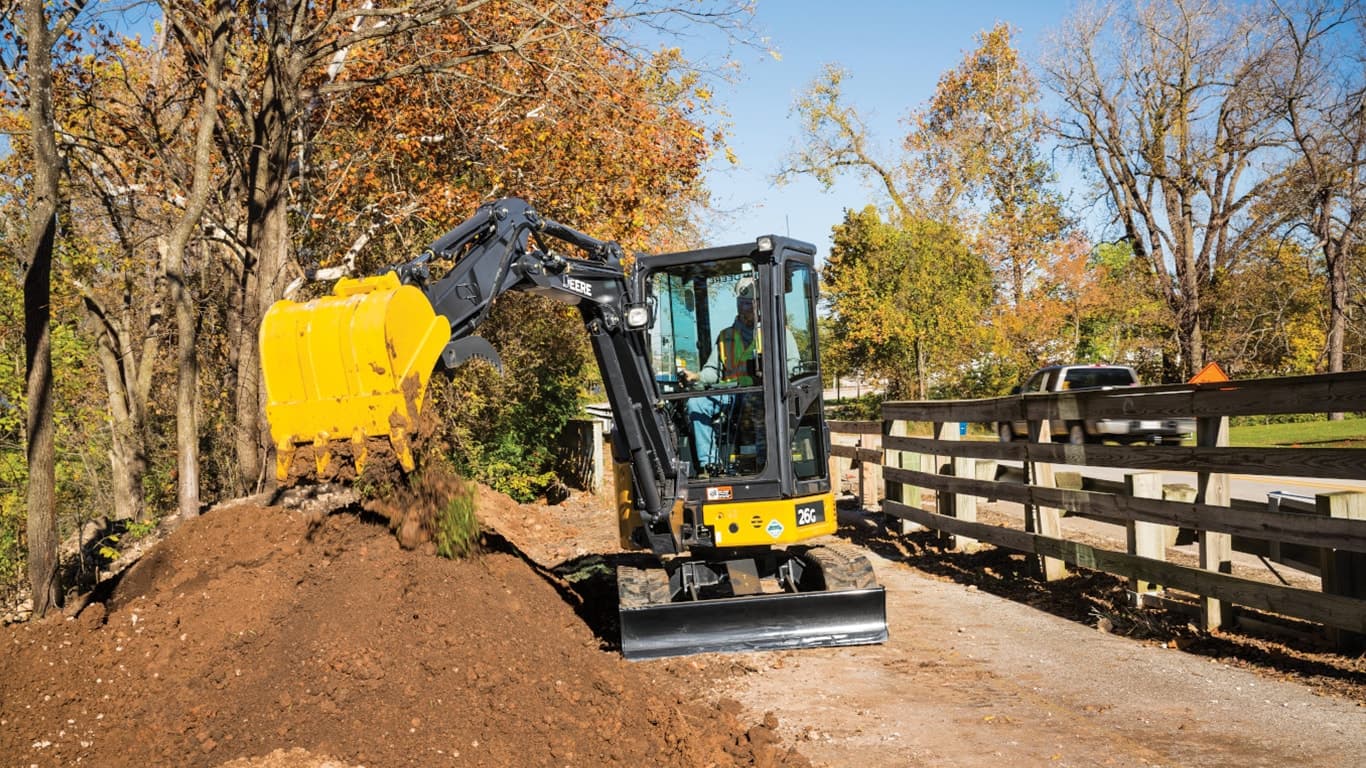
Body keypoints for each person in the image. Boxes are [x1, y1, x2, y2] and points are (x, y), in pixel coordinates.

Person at [679, 277, 760, 474]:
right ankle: (710, 464)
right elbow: (713, 371)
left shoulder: (776, 333)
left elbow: (791, 368)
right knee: (696, 404)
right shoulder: (726, 336)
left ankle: (765, 461)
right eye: (741, 303)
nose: (744, 308)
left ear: (759, 304)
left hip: (762, 394)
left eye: (749, 303)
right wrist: (696, 377)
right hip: (731, 394)